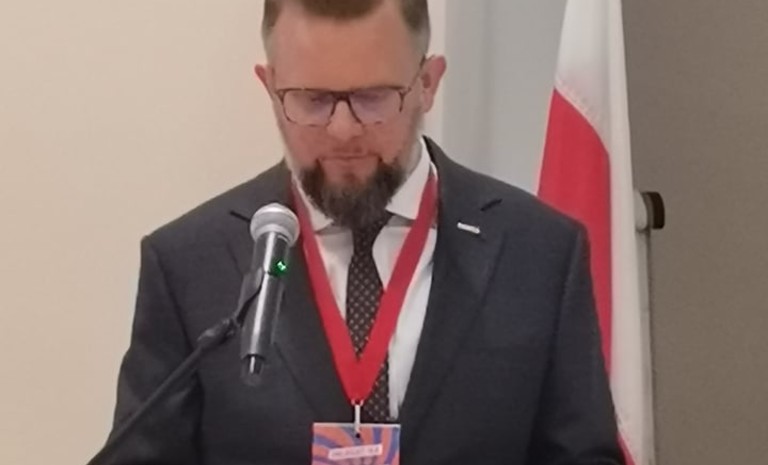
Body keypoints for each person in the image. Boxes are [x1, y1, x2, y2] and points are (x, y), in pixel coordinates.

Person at [107, 0, 625, 464]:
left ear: (428, 83)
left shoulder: (538, 253)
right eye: (312, 100)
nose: (342, 130)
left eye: (373, 98)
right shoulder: (188, 264)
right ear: (270, 88)